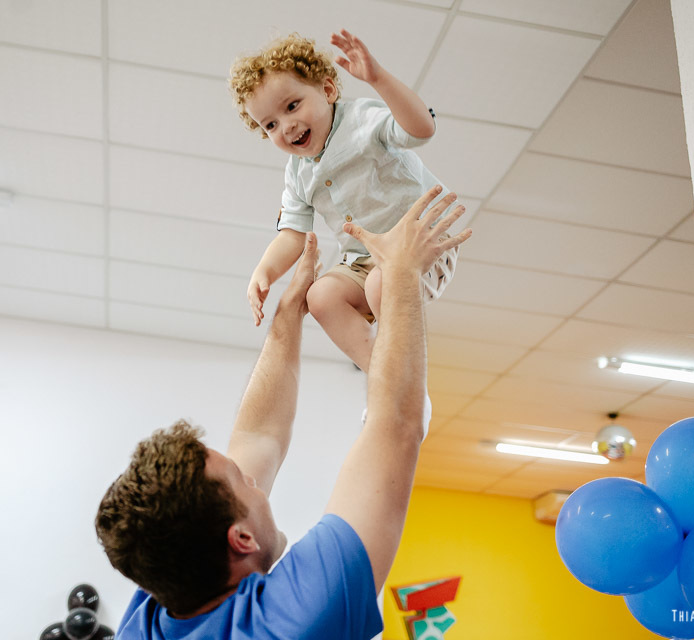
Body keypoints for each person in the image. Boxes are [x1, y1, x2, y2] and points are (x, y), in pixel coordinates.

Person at [96, 186, 472, 639]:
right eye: (245, 482)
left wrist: (291, 310)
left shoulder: (154, 609)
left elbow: (258, 436)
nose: (255, 480)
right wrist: (401, 275)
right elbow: (396, 425)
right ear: (242, 540)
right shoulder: (295, 619)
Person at [230, 30, 460, 380]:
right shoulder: (297, 173)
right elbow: (292, 235)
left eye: (292, 106)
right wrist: (263, 272)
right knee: (321, 296)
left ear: (327, 90)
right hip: (365, 260)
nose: (286, 126)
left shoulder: (362, 120)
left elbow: (421, 129)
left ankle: (407, 376)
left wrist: (378, 79)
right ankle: (386, 377)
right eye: (271, 124)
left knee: (380, 285)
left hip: (419, 242)